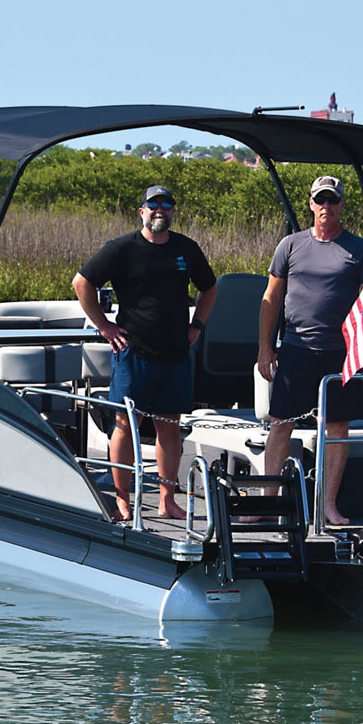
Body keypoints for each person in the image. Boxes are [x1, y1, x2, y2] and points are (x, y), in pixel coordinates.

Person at [72, 185, 217, 522]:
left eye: (166, 206)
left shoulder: (186, 248)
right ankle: (122, 500)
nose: (160, 211)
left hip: (176, 354)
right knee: (125, 425)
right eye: (153, 206)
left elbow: (209, 288)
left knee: (169, 426)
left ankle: (168, 499)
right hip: (132, 352)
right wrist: (104, 326)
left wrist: (197, 325)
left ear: (172, 212)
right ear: (142, 211)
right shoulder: (122, 248)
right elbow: (82, 283)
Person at [257, 174, 363, 526]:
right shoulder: (290, 244)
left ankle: (329, 506)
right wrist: (264, 348)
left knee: (337, 428)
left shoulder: (359, 249)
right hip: (296, 348)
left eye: (333, 200)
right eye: (321, 200)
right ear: (311, 204)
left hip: (341, 354)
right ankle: (268, 503)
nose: (326, 207)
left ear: (342, 205)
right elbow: (271, 299)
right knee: (280, 424)